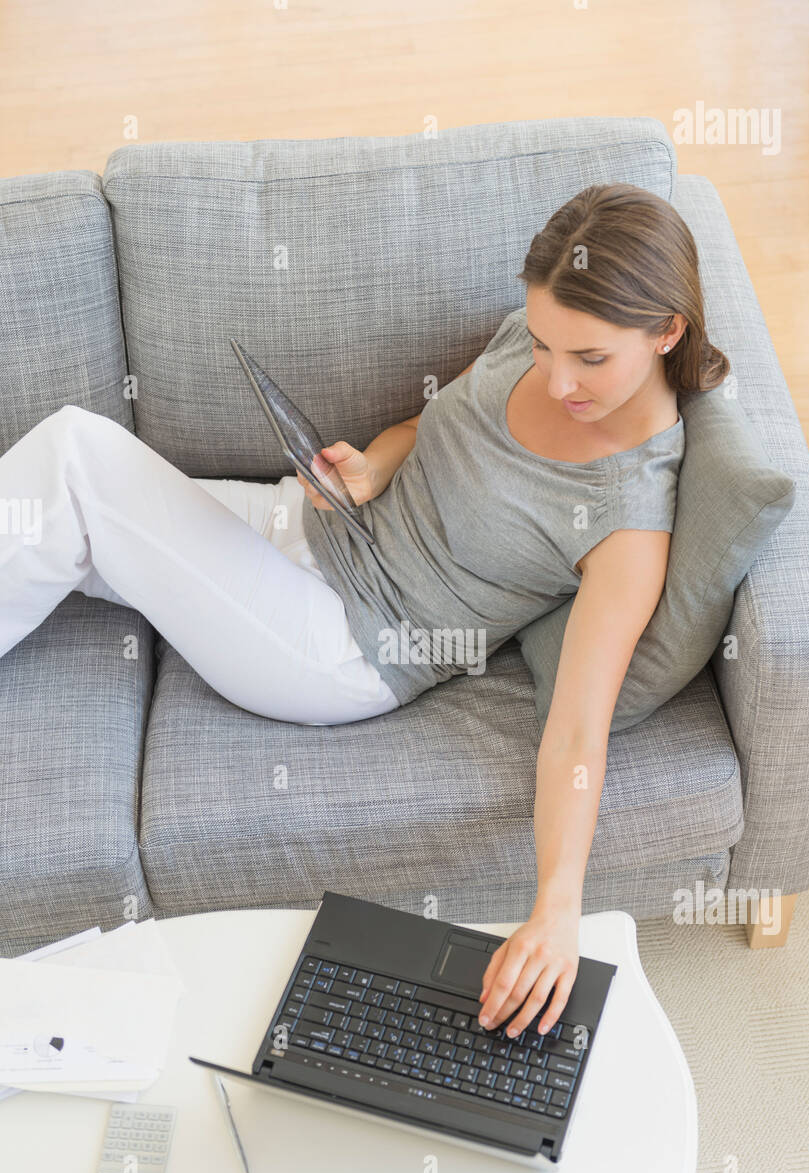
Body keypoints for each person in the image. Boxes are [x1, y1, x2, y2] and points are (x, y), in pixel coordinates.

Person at [0, 182, 728, 1039]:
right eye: (540, 345)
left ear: (666, 331)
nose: (556, 377)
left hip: (339, 642)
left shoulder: (628, 520)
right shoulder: (541, 335)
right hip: (309, 524)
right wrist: (375, 467)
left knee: (76, 462)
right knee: (55, 521)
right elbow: (432, 423)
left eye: (590, 360)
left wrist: (556, 906)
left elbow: (577, 731)